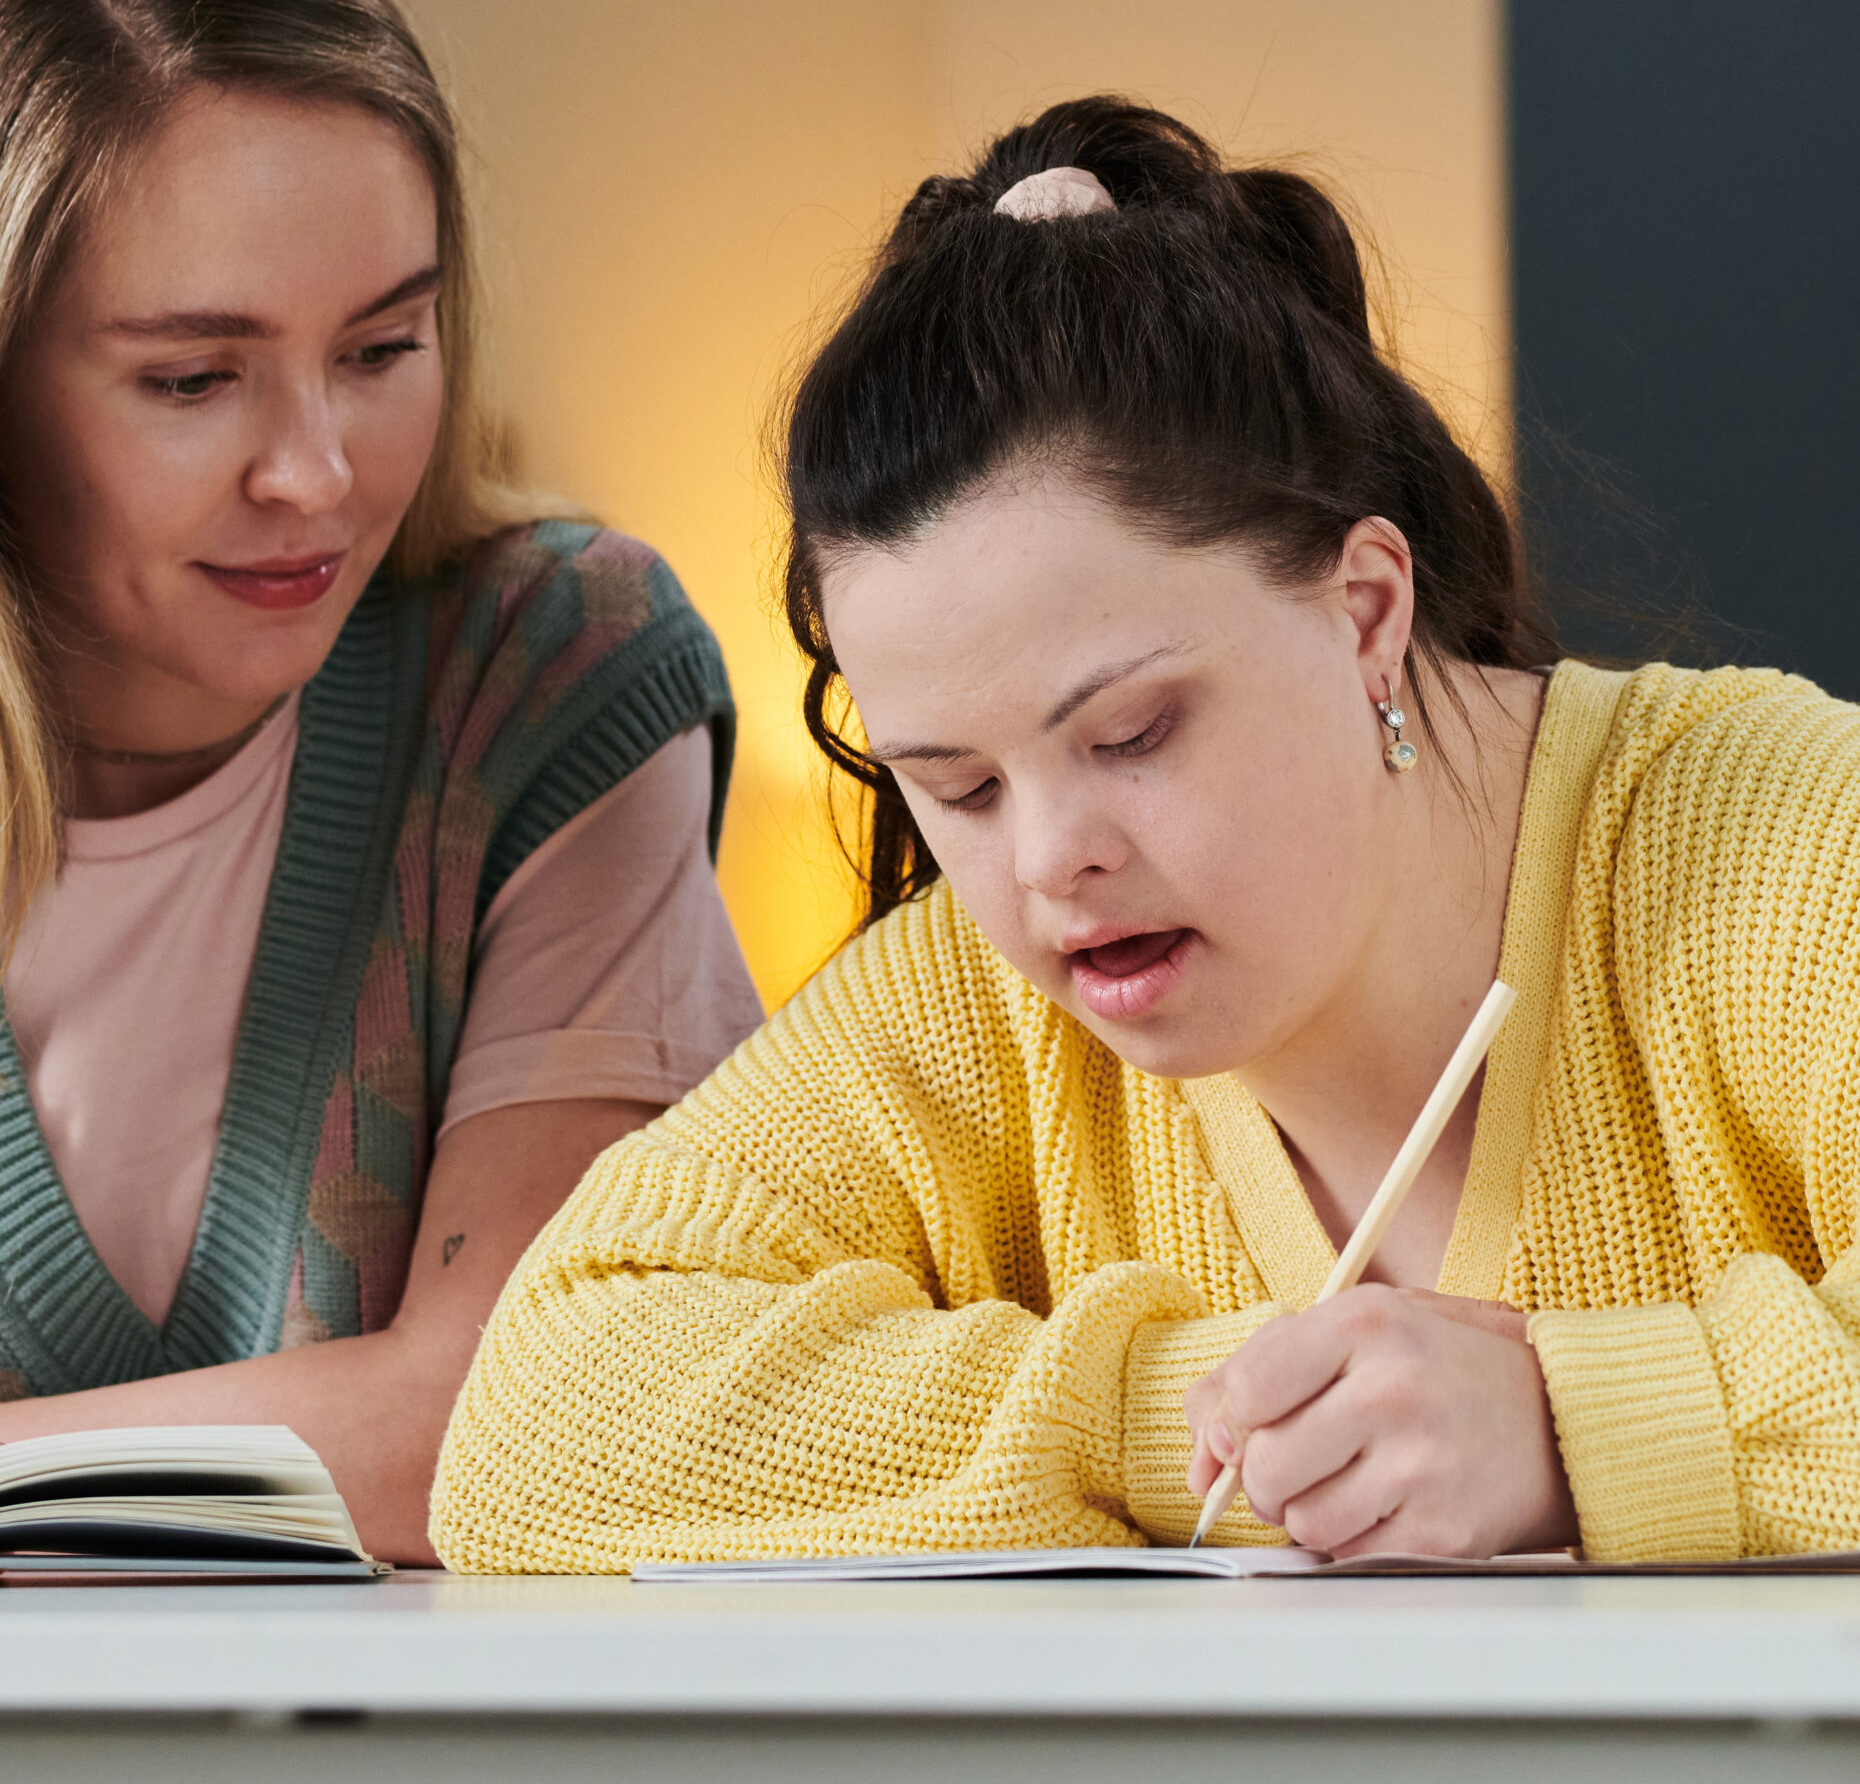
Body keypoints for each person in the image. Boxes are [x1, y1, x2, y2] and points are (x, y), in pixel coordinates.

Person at [431, 96, 1860, 1572]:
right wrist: (1174, 1415)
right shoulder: (978, 1006)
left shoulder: (1780, 841)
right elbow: (538, 1423)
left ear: (1367, 611)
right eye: (959, 788)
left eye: (1131, 736)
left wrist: (1569, 1431)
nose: (1050, 865)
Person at [0, 0, 762, 1563]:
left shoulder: (547, 666)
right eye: (193, 380)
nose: (319, 475)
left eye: (381, 346)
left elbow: (497, 1411)